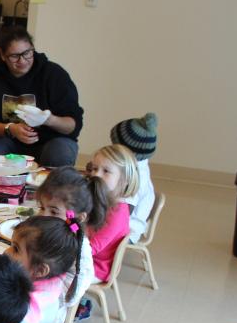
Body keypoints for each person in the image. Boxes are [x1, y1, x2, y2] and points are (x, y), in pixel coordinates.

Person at [0, 26, 83, 168]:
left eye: (27, 53)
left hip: (51, 141)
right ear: (3, 55)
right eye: (14, 56)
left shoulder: (54, 75)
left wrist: (49, 120)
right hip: (9, 141)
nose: (22, 61)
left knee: (59, 153)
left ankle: (51, 189)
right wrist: (10, 128)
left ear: (33, 48)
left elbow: (73, 125)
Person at [36, 166, 109, 312]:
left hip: (46, 308)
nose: (44, 215)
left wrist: (48, 297)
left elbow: (76, 288)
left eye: (54, 211)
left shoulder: (78, 245)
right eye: (42, 207)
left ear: (79, 217)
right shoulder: (55, 226)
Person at [86, 144, 140, 282]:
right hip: (85, 256)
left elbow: (91, 249)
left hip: (94, 267)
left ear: (124, 179)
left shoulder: (117, 213)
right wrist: (70, 222)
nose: (96, 175)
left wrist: (62, 248)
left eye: (106, 171)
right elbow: (79, 226)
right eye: (94, 169)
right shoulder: (100, 199)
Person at [110, 112, 158, 243]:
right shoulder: (137, 165)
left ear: (127, 151)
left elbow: (123, 213)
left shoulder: (133, 177)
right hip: (122, 223)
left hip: (127, 231)